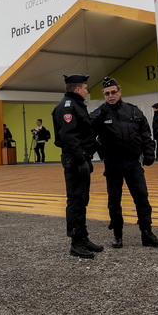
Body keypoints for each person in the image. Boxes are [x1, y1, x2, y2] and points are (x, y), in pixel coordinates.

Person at [90, 77, 158, 248]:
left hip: (132, 163)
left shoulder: (133, 111)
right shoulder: (101, 113)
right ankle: (118, 234)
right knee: (114, 200)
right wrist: (99, 150)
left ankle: (147, 233)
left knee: (142, 197)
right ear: (104, 95)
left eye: (113, 92)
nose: (110, 96)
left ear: (120, 91)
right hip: (113, 163)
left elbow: (145, 133)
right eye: (107, 93)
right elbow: (88, 132)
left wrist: (149, 153)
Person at [51, 74, 104, 258]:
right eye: (85, 87)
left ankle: (83, 237)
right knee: (75, 201)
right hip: (75, 161)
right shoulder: (67, 107)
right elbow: (69, 136)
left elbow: (84, 133)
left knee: (82, 200)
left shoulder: (76, 105)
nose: (87, 90)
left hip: (82, 159)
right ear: (78, 89)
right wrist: (81, 160)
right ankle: (76, 242)